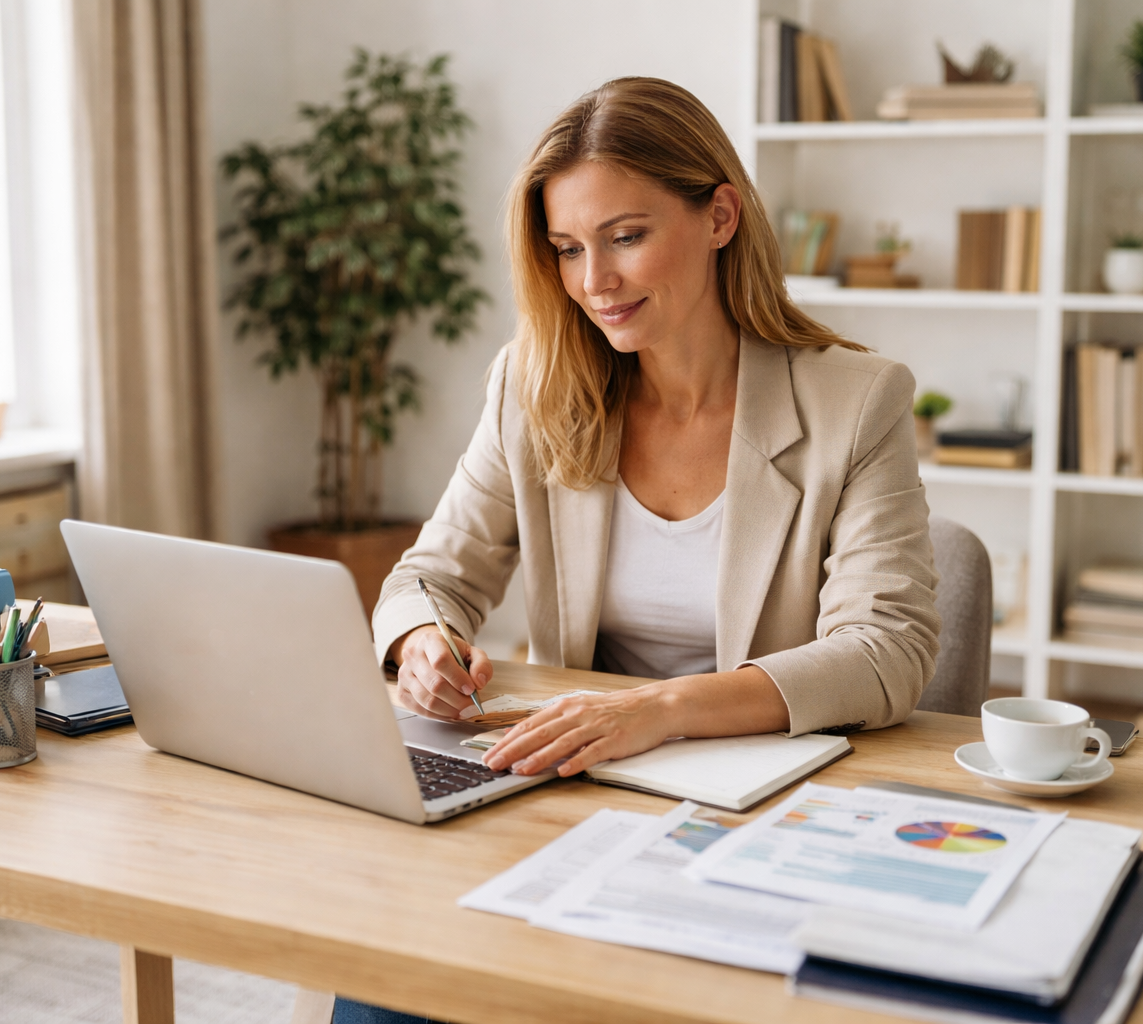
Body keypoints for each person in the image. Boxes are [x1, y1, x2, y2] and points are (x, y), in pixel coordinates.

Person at [333, 76, 940, 1024]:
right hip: (573, 789)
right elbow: (431, 577)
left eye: (625, 236)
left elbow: (886, 650)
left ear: (720, 216)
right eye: (568, 249)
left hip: (756, 807)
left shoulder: (855, 401)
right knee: (394, 966)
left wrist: (661, 710)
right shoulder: (534, 384)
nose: (594, 283)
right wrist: (423, 647)